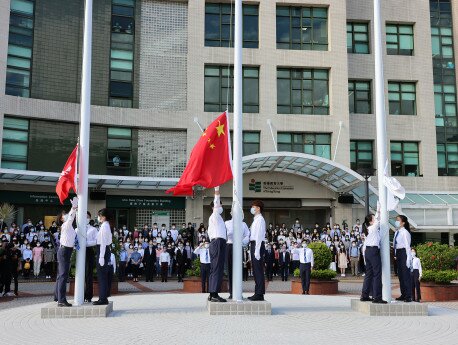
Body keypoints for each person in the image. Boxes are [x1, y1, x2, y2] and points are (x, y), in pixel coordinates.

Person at [360, 203, 387, 304]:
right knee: (377, 274)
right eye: (373, 218)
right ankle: (377, 297)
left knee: (369, 274)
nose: (375, 219)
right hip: (373, 251)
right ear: (371, 221)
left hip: (367, 251)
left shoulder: (367, 229)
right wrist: (378, 209)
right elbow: (378, 219)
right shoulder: (373, 227)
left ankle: (365, 295)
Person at [54, 196, 78, 307]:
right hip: (64, 251)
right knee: (63, 275)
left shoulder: (69, 227)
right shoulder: (66, 225)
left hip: (65, 251)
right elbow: (70, 218)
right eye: (64, 215)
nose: (66, 215)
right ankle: (61, 300)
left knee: (61, 275)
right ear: (62, 219)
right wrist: (73, 208)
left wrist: (74, 210)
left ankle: (57, 297)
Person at [207, 186, 227, 303]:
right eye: (219, 205)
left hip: (218, 242)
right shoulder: (215, 215)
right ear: (214, 207)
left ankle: (212, 293)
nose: (221, 207)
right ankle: (214, 294)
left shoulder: (217, 218)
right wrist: (217, 190)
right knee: (217, 269)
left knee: (216, 268)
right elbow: (216, 200)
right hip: (217, 242)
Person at [224, 213, 250, 299]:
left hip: (239, 246)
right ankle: (231, 293)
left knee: (239, 270)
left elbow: (247, 235)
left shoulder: (243, 224)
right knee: (230, 270)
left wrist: (242, 242)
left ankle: (239, 293)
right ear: (231, 213)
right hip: (229, 246)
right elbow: (223, 234)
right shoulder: (227, 223)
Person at [93, 208, 113, 305]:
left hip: (103, 252)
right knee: (103, 276)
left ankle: (103, 298)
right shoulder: (105, 225)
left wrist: (101, 257)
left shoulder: (105, 226)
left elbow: (103, 243)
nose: (98, 217)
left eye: (99, 216)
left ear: (103, 217)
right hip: (104, 251)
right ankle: (103, 297)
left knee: (102, 276)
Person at [248, 200, 266, 301]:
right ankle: (257, 292)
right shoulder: (256, 219)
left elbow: (259, 236)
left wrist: (257, 250)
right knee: (255, 270)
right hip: (254, 244)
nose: (252, 208)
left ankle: (259, 294)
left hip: (257, 244)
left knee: (258, 270)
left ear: (258, 208)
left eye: (253, 206)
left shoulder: (260, 220)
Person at [393, 215, 413, 302]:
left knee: (405, 276)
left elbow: (407, 246)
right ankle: (403, 294)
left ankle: (408, 296)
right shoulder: (397, 232)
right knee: (400, 276)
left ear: (403, 222)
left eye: (398, 220)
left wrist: (409, 258)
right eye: (396, 220)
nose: (396, 221)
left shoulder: (405, 232)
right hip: (398, 253)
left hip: (404, 253)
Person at [85, 212, 98, 302]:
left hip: (89, 251)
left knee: (88, 274)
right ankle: (80, 294)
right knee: (80, 274)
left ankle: (88, 296)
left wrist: (86, 243)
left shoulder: (93, 229)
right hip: (79, 252)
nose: (86, 218)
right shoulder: (77, 228)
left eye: (87, 217)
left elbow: (96, 241)